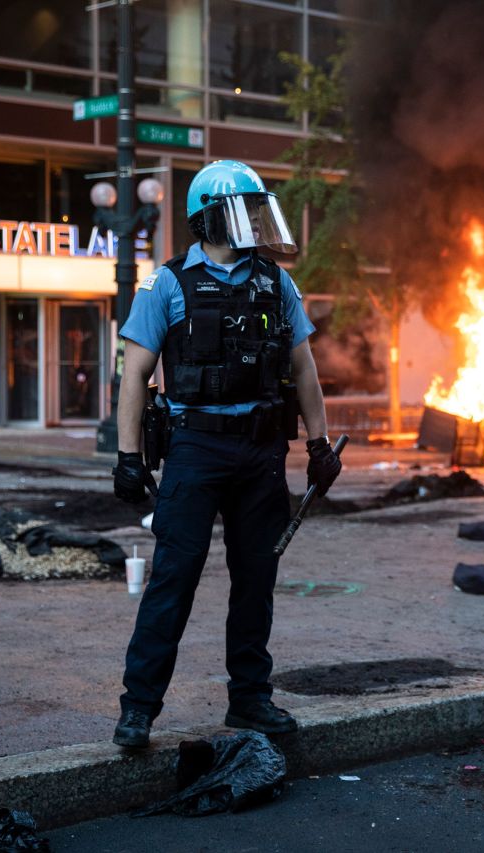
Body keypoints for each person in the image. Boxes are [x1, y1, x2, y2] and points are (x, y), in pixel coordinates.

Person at [110, 160, 342, 748]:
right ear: (209, 219)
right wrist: (128, 455)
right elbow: (135, 375)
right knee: (174, 579)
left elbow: (304, 370)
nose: (254, 224)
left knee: (256, 579)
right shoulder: (169, 284)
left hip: (261, 451)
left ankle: (250, 702)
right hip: (194, 447)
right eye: (243, 211)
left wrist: (318, 443)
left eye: (258, 211)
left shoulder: (275, 283)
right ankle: (138, 708)